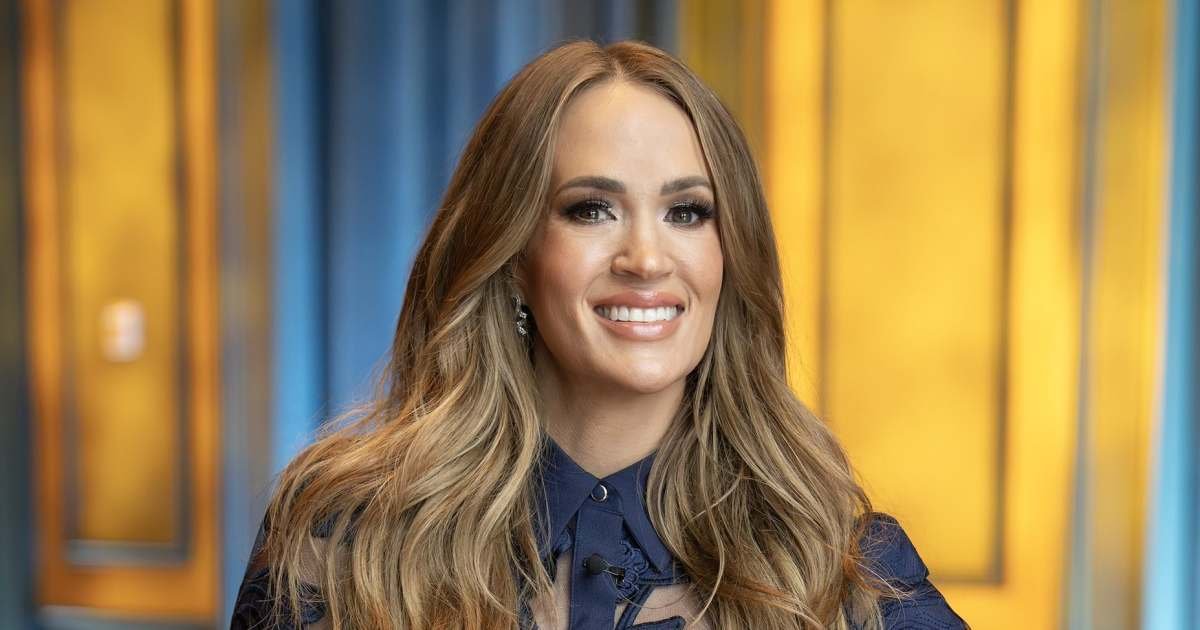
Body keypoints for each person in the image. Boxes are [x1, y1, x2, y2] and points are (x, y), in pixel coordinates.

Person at [230, 39, 968, 630]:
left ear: (729, 254)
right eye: (591, 210)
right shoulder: (342, 544)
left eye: (687, 213)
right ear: (512, 257)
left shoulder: (846, 570)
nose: (646, 258)